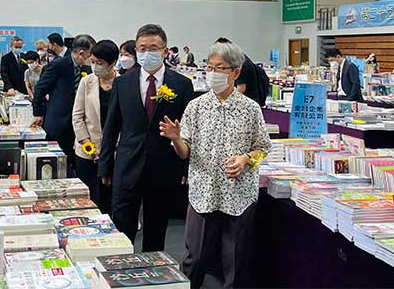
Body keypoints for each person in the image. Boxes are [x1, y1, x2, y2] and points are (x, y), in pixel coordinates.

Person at [161, 41, 271, 289]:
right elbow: (184, 153)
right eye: (209, 67)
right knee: (195, 256)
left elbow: (263, 148)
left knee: (236, 260)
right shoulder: (196, 106)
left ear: (235, 72)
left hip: (239, 194)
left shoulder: (250, 109)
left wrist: (245, 159)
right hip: (203, 191)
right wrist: (176, 139)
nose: (213, 73)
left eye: (219, 68)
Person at [98, 24, 195, 252]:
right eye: (142, 48)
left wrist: (186, 167)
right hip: (127, 164)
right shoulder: (123, 83)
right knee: (122, 226)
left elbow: (190, 131)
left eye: (153, 48)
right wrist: (105, 165)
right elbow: (111, 128)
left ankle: (152, 270)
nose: (147, 53)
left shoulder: (182, 84)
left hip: (163, 166)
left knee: (156, 229)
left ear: (164, 51)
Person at [31, 34, 96, 169]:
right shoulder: (59, 65)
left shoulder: (88, 69)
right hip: (59, 122)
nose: (92, 58)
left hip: (80, 124)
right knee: (58, 165)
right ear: (82, 53)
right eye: (90, 54)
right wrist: (38, 113)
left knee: (76, 163)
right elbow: (40, 89)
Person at [72, 40, 119, 215]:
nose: (95, 66)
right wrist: (89, 147)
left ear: (112, 63)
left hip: (114, 152)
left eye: (100, 63)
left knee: (110, 199)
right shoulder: (87, 82)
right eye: (93, 61)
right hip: (87, 150)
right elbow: (77, 116)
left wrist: (110, 149)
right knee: (89, 198)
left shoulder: (123, 83)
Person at [215, 37, 265, 106]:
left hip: (246, 104)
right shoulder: (238, 58)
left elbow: (241, 89)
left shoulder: (240, 62)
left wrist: (225, 101)